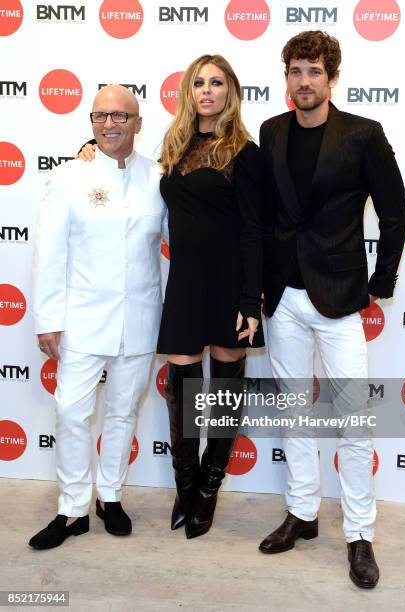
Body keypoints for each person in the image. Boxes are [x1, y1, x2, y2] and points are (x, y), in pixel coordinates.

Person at [258, 31, 405, 588]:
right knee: (294, 413)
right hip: (284, 300)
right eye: (295, 71)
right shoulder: (271, 133)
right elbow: (261, 218)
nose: (304, 81)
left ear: (332, 77)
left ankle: (360, 535)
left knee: (353, 422)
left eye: (314, 71)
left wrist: (380, 281)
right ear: (286, 78)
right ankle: (302, 514)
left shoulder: (364, 135)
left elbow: (395, 212)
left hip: (341, 299)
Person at [29, 85, 167, 550]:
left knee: (124, 411)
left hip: (142, 319)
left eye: (121, 116)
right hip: (83, 318)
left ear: (138, 123)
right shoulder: (68, 178)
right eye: (101, 116)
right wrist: (47, 319)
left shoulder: (158, 178)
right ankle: (72, 509)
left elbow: (182, 241)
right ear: (91, 123)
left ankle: (109, 496)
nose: (109, 124)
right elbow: (49, 254)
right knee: (71, 411)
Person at [158, 54, 264, 539]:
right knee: (182, 386)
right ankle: (186, 485)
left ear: (230, 92)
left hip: (228, 283)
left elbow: (252, 230)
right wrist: (88, 148)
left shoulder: (244, 150)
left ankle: (208, 490)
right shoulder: (175, 145)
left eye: (217, 82)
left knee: (223, 387)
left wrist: (249, 301)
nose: (207, 90)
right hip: (183, 281)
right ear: (189, 92)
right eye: (199, 82)